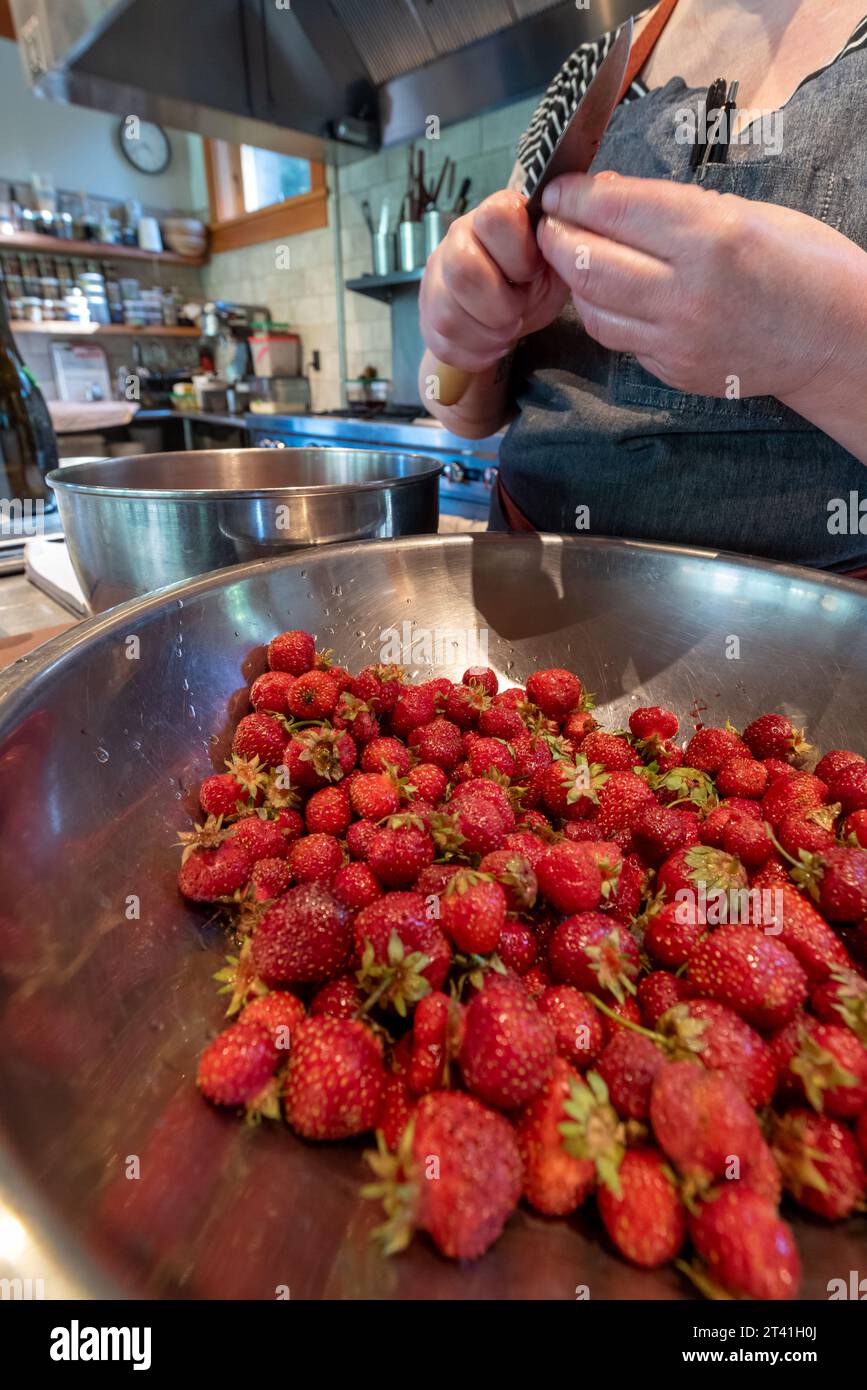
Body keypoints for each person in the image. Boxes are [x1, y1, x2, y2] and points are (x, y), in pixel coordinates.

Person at [418, 0, 867, 573]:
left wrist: (827, 342)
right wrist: (465, 336)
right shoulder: (593, 69)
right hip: (524, 604)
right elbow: (459, 408)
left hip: (810, 638)